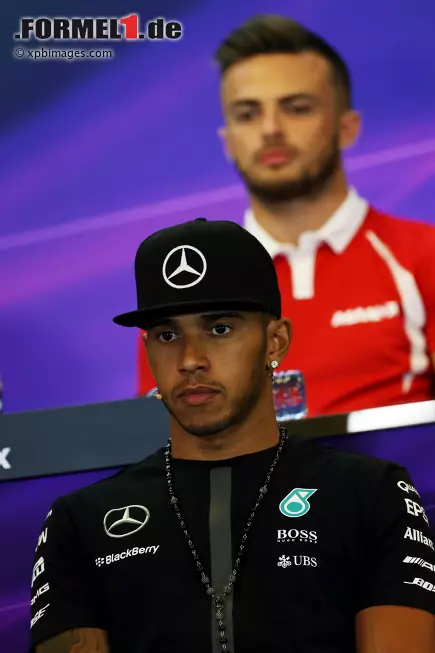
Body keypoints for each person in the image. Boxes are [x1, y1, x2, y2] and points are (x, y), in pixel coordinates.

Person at [30, 218, 435, 653]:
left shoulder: (371, 493)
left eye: (219, 329)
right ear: (147, 351)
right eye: (168, 334)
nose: (190, 359)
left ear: (275, 341)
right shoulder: (79, 521)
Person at [136, 15, 435, 417]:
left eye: (296, 108)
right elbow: (164, 440)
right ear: (227, 141)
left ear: (347, 127)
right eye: (247, 114)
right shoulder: (182, 287)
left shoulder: (423, 256)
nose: (271, 129)